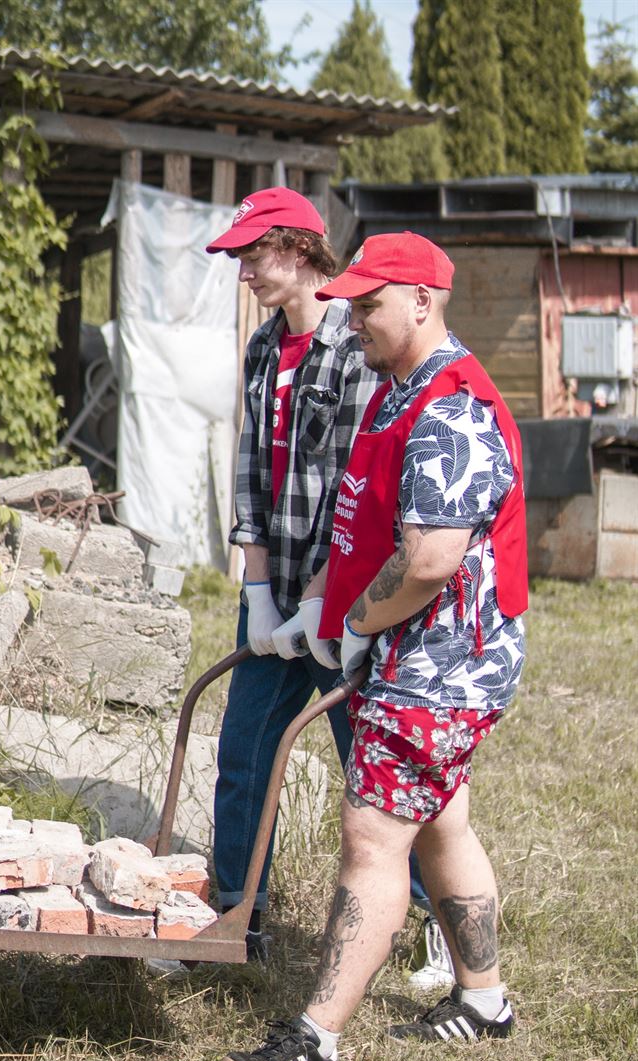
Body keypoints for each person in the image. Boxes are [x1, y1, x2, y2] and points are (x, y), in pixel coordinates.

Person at [221, 231, 528, 1061]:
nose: (353, 320)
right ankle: (484, 999)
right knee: (441, 822)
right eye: (351, 305)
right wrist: (323, 607)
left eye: (369, 305)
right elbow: (360, 517)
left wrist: (357, 622)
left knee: (372, 837)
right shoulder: (399, 391)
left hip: (441, 662)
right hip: (412, 645)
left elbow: (429, 559)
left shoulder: (451, 409)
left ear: (422, 302)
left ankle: (314, 1039)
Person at [150, 189, 443, 980]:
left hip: (345, 604)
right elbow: (250, 469)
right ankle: (235, 922)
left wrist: (321, 600)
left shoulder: (355, 347)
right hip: (275, 597)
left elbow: (357, 489)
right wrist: (257, 594)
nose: (243, 271)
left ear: (300, 249)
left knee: (374, 769)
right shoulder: (262, 347)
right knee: (243, 753)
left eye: (254, 254)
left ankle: (435, 922)